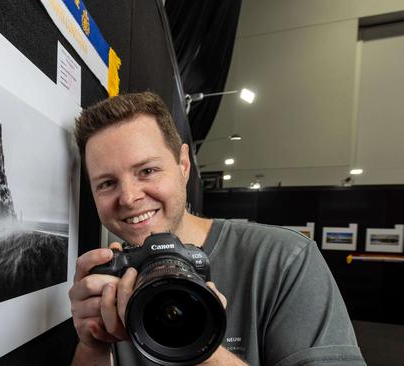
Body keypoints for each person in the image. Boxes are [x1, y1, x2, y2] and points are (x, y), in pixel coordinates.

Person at [68, 92, 365, 365]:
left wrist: (201, 345)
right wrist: (93, 344)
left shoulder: (283, 258)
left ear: (183, 165)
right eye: (107, 183)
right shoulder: (113, 277)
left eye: (147, 171)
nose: (129, 197)